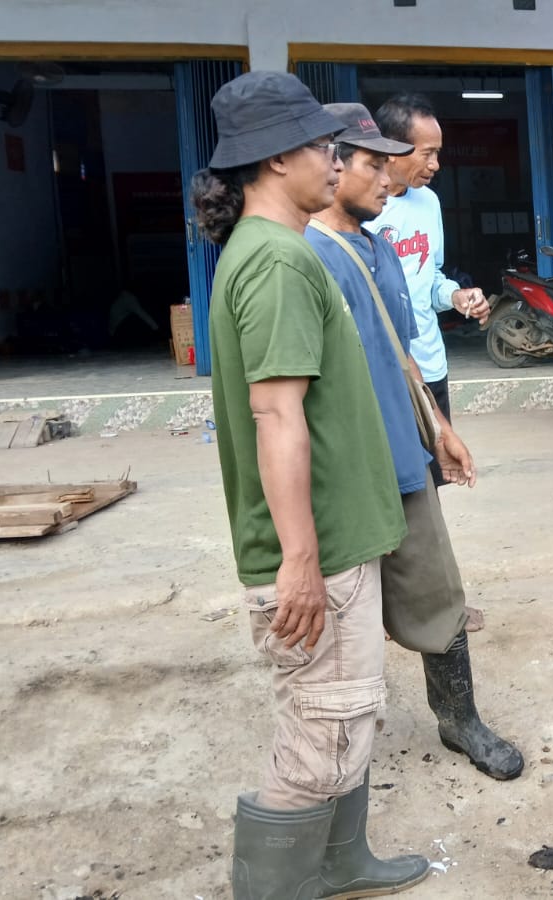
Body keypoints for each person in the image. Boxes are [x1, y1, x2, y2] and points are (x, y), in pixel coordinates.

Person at [190, 72, 428, 897]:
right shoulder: (277, 262)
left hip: (336, 542)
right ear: (275, 157)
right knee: (318, 737)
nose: (338, 160)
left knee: (346, 715)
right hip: (318, 553)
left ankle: (341, 861)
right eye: (325, 147)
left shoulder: (279, 250)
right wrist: (299, 561)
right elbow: (276, 415)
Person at [306, 102, 522, 782]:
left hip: (403, 451)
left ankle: (460, 720)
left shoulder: (376, 248)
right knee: (340, 617)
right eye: (373, 165)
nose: (388, 179)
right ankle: (335, 753)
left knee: (437, 589)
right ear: (330, 165)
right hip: (342, 470)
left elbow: (400, 352)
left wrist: (439, 428)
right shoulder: (305, 256)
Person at [369, 93, 488, 486]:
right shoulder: (360, 211)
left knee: (432, 482)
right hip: (385, 372)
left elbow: (430, 276)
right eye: (427, 153)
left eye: (438, 153)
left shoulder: (429, 203)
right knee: (391, 486)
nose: (436, 164)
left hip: (430, 366)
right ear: (390, 150)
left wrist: (456, 296)